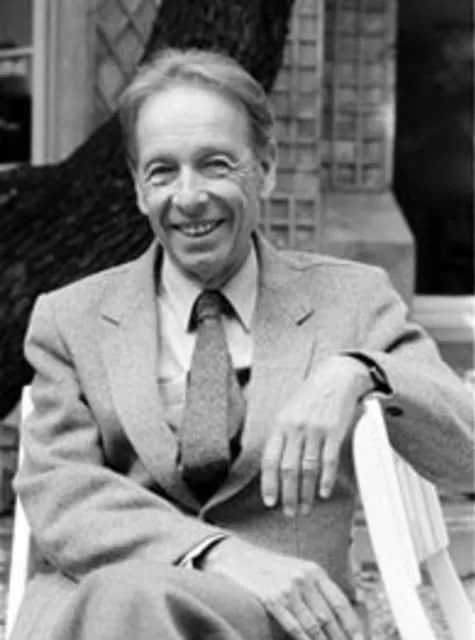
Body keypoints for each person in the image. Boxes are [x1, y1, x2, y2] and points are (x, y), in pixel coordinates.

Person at [11, 48, 473, 640]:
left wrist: (361, 372)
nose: (188, 196)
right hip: (102, 610)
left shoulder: (350, 299)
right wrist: (214, 553)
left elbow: (466, 452)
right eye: (162, 172)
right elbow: (58, 488)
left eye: (215, 164)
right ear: (138, 189)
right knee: (127, 596)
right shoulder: (70, 319)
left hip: (282, 622)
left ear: (266, 168)